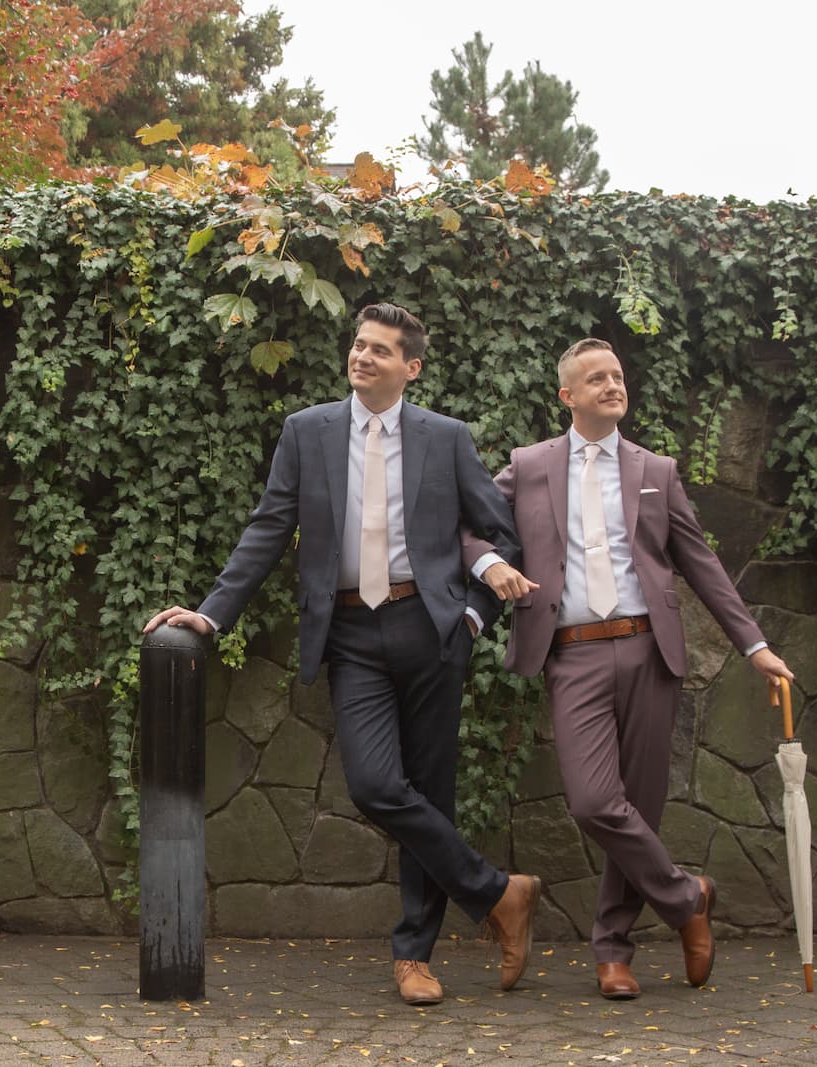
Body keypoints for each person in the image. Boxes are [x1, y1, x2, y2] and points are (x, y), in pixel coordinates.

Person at [144, 303, 543, 1006]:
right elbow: (269, 526)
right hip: (352, 634)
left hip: (431, 627)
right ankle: (498, 892)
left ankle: (414, 955)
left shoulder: (445, 438)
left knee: (432, 789)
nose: (362, 357)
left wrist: (475, 616)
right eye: (358, 345)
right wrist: (210, 613)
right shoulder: (308, 431)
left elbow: (500, 532)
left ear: (410, 367)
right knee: (375, 784)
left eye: (380, 350)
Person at [463, 337, 794, 1000]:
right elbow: (467, 523)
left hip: (649, 650)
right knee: (593, 800)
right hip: (572, 653)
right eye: (596, 378)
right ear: (568, 396)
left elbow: (701, 564)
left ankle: (613, 950)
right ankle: (686, 898)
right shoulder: (528, 467)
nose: (612, 385)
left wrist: (754, 645)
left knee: (637, 805)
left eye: (617, 375)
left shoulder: (655, 470)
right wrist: (488, 562)